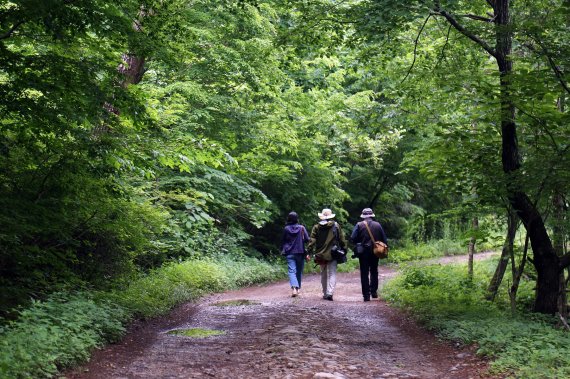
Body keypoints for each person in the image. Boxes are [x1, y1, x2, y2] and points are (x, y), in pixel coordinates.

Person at [308, 208, 347, 301]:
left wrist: (309, 250)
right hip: (333, 253)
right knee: (332, 273)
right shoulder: (336, 225)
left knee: (323, 274)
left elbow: (312, 240)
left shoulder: (316, 227)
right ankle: (330, 293)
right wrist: (344, 249)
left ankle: (325, 293)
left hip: (320, 254)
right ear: (330, 216)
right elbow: (342, 239)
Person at [350, 208, 388, 302]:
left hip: (363, 252)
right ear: (371, 215)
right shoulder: (378, 225)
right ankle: (374, 292)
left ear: (363, 216)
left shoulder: (359, 225)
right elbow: (384, 239)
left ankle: (366, 296)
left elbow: (353, 238)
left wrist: (359, 241)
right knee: (374, 271)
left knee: (364, 273)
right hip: (376, 251)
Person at [280, 211, 310, 297]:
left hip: (289, 252)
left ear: (288, 219)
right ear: (297, 219)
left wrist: (281, 249)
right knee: (299, 271)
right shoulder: (302, 228)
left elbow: (282, 241)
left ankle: (294, 289)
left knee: (291, 271)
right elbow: (307, 240)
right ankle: (297, 289)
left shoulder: (286, 229)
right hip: (300, 252)